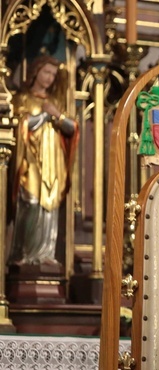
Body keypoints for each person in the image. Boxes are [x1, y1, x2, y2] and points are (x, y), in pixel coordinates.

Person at [8, 55, 78, 266]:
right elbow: (20, 124)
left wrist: (56, 114)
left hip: (52, 163)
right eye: (46, 72)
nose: (49, 78)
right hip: (29, 160)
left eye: (53, 75)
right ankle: (24, 253)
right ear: (36, 71)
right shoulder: (22, 98)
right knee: (30, 201)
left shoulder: (54, 102)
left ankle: (45, 253)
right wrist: (44, 117)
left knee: (49, 205)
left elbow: (72, 127)